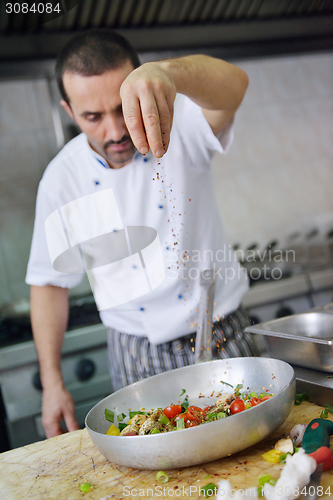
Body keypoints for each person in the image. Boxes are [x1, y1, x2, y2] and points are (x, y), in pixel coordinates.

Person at [26, 28, 253, 439]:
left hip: (220, 336)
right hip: (136, 356)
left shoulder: (181, 122)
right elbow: (48, 283)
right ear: (68, 109)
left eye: (122, 107)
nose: (115, 131)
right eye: (92, 117)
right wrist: (52, 381)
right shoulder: (61, 180)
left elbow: (235, 86)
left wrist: (169, 74)